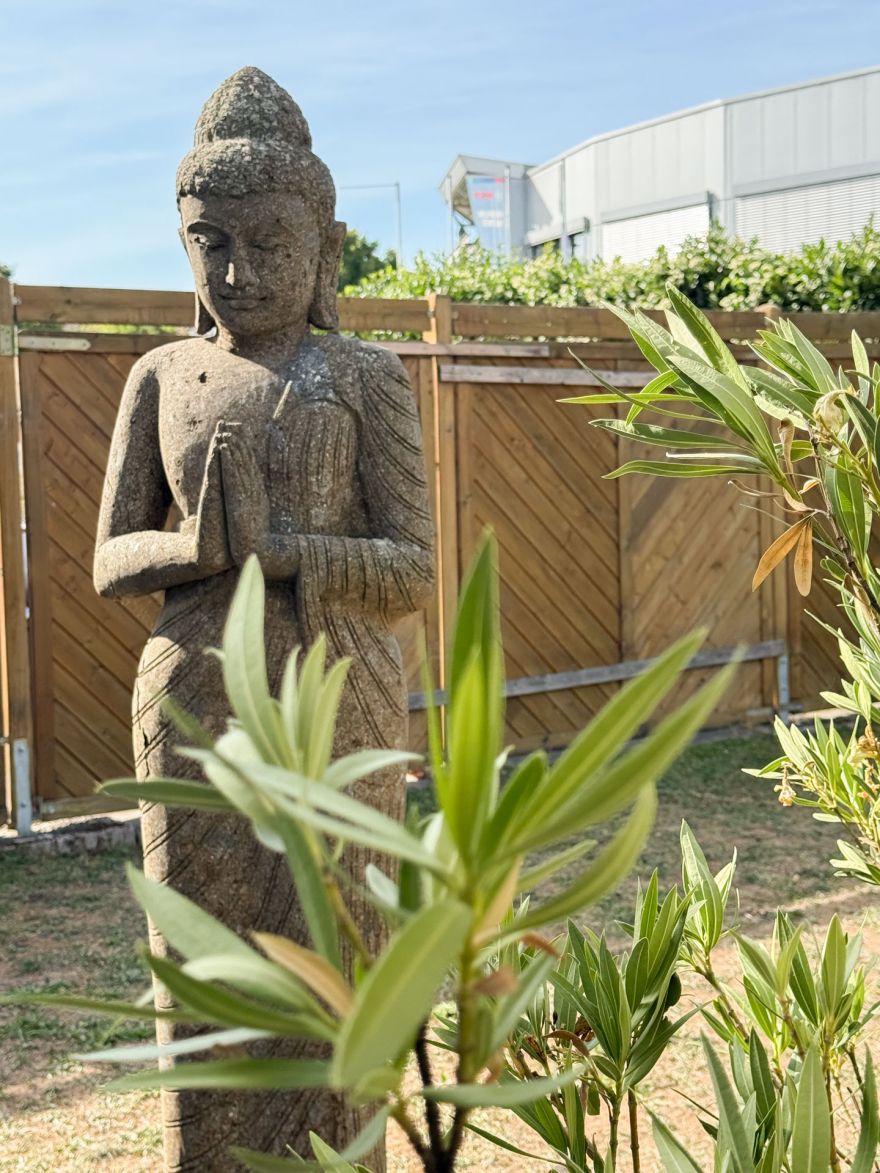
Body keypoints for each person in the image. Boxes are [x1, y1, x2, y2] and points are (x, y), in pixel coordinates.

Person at [94, 66, 434, 1171]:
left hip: (340, 694)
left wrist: (289, 554)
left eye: (269, 244)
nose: (237, 272)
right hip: (194, 695)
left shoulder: (366, 376)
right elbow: (110, 556)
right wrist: (194, 551)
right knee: (204, 958)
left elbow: (415, 566)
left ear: (323, 247)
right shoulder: (162, 375)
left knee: (341, 947)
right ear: (184, 246)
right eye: (212, 243)